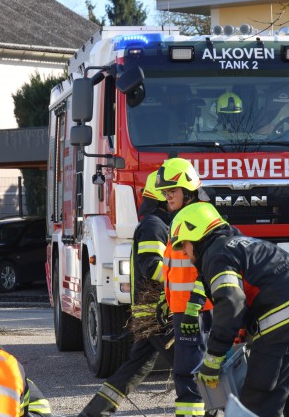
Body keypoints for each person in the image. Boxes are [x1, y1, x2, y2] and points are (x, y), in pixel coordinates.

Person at [169, 202, 289, 417]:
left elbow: (231, 301)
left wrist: (213, 357)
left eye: (183, 245)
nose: (184, 252)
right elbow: (259, 290)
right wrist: (241, 331)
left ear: (195, 234)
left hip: (286, 330)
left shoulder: (216, 254)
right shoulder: (245, 243)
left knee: (257, 404)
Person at [79, 171, 175, 416]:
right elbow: (151, 266)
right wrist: (188, 277)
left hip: (152, 314)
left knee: (135, 368)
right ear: (162, 197)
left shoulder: (157, 223)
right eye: (171, 194)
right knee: (190, 368)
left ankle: (94, 411)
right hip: (158, 315)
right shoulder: (155, 225)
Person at [154, 157, 214, 417]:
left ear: (189, 189)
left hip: (195, 310)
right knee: (197, 368)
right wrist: (167, 299)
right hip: (188, 307)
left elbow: (208, 264)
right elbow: (177, 267)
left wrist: (193, 304)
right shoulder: (188, 215)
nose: (168, 196)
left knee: (188, 372)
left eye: (173, 190)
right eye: (165, 191)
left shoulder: (194, 216)